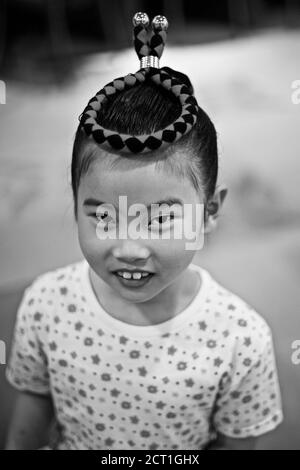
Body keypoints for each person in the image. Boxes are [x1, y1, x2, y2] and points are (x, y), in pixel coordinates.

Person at [5, 12, 283, 450]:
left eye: (158, 220)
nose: (129, 248)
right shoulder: (45, 306)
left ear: (210, 212)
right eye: (103, 217)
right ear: (74, 201)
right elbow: (29, 417)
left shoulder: (238, 338)